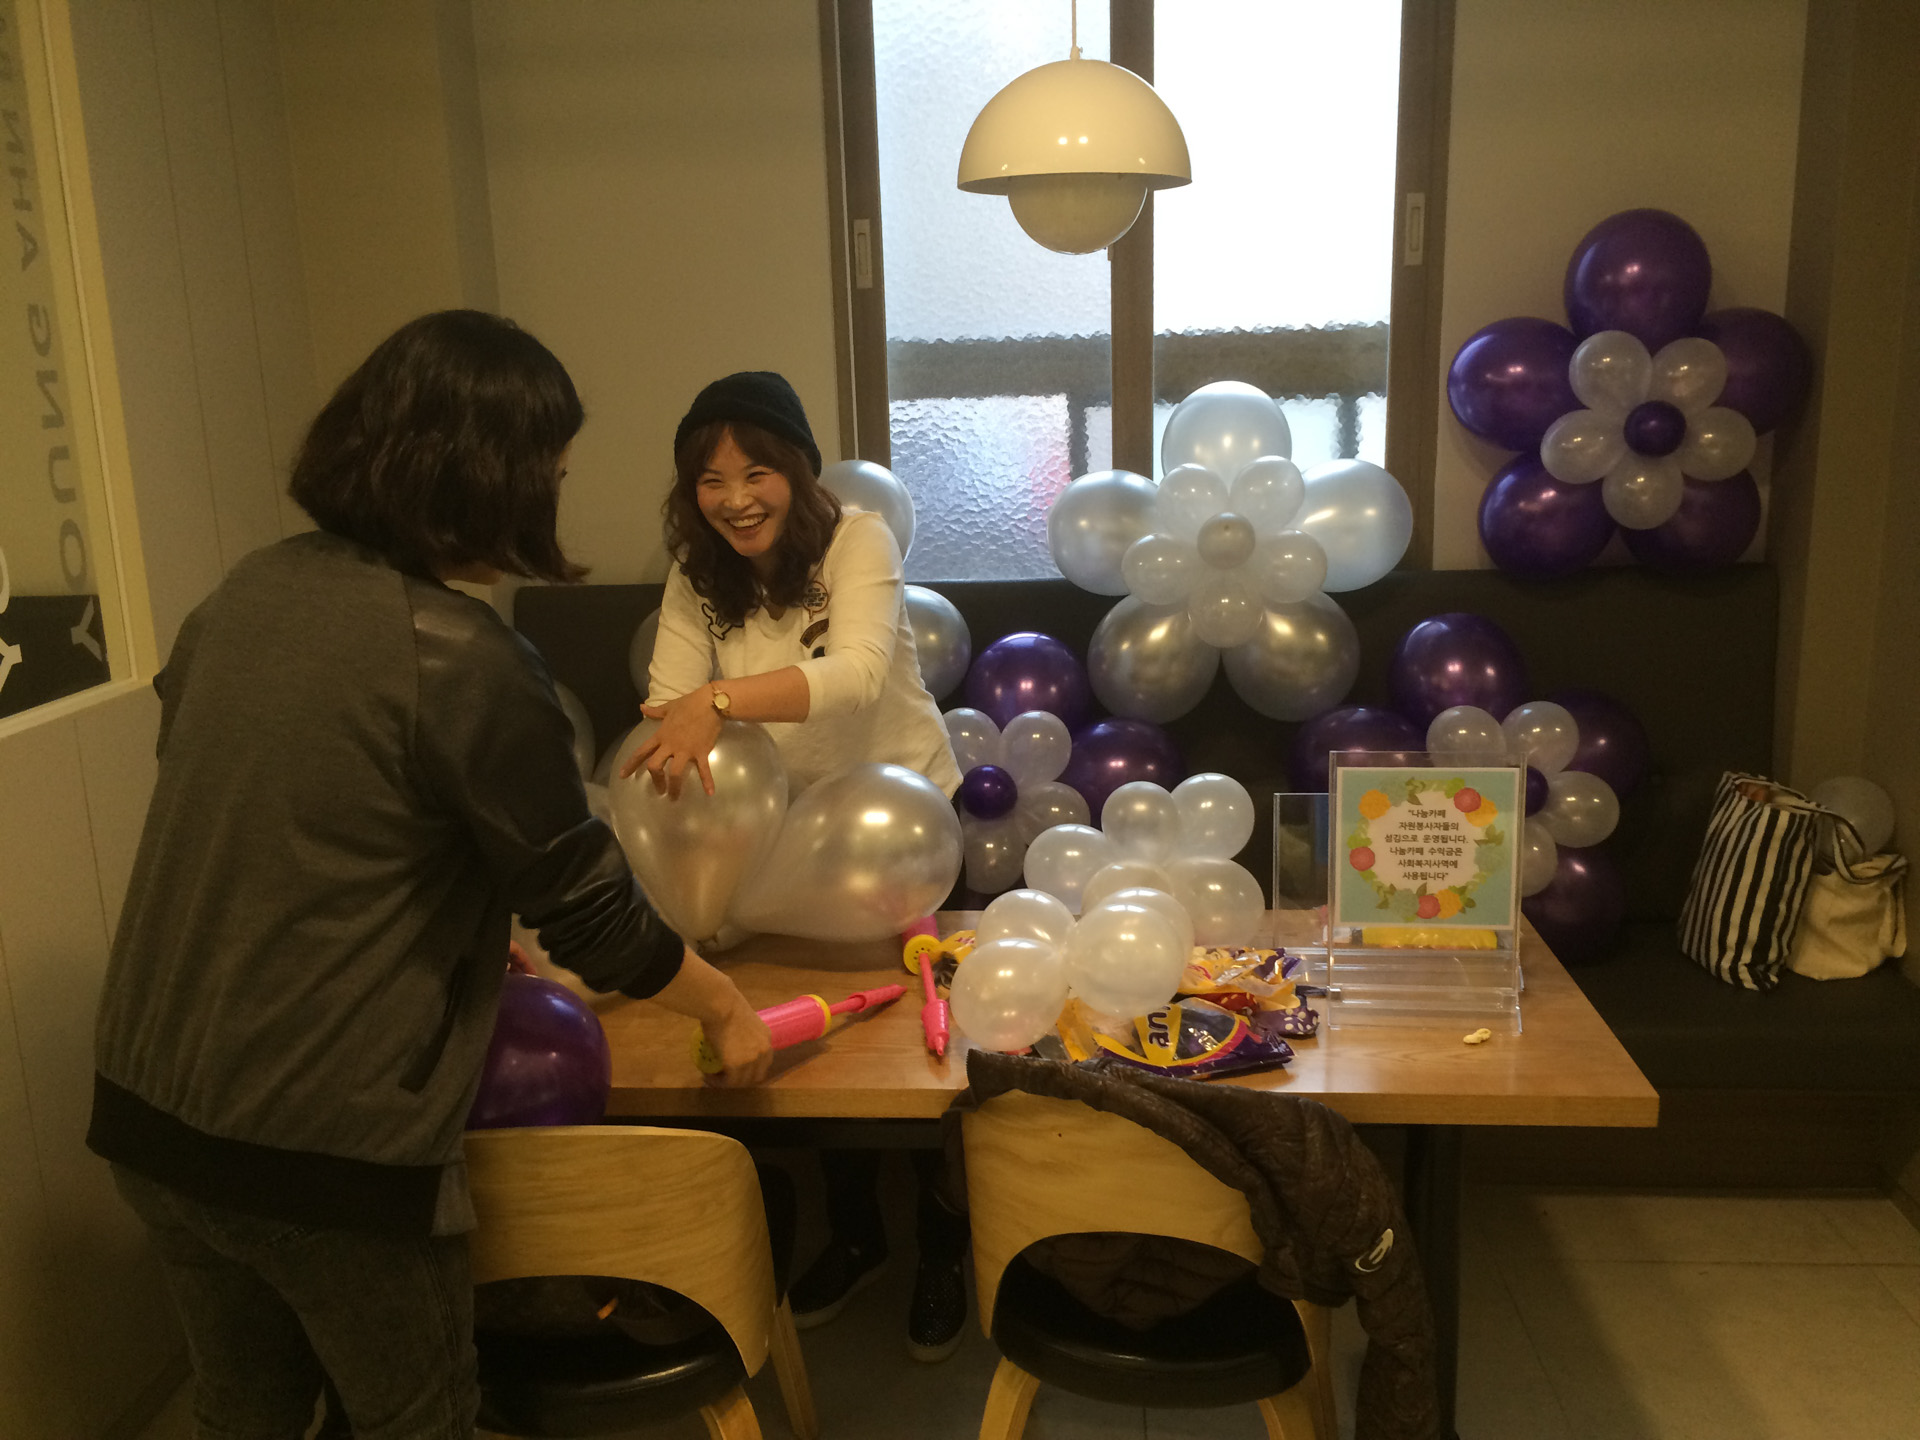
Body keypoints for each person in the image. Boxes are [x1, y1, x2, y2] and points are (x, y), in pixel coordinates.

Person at [87, 311, 774, 1440]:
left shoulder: (245, 593)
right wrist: (725, 1006)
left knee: (243, 1412)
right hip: (324, 1150)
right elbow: (591, 911)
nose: (551, 496)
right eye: (550, 474)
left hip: (149, 1113)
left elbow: (304, 819)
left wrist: (457, 922)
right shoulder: (461, 655)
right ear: (493, 475)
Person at [628, 371, 970, 1362]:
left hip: (897, 824)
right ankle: (857, 1237)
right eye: (710, 479)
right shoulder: (697, 571)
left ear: (799, 470)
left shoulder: (858, 539)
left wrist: (715, 704)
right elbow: (665, 699)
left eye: (757, 472)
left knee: (930, 1058)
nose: (735, 498)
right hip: (784, 841)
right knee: (824, 1051)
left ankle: (944, 1246)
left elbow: (855, 675)